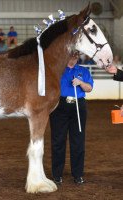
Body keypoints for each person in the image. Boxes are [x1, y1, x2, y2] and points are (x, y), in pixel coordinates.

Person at [50, 52, 94, 185]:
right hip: (59, 106)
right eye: (71, 56)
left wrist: (80, 83)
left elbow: (89, 88)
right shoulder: (58, 70)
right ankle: (57, 175)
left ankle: (78, 174)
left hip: (78, 106)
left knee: (78, 142)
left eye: (76, 57)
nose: (73, 59)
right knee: (58, 141)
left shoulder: (83, 71)